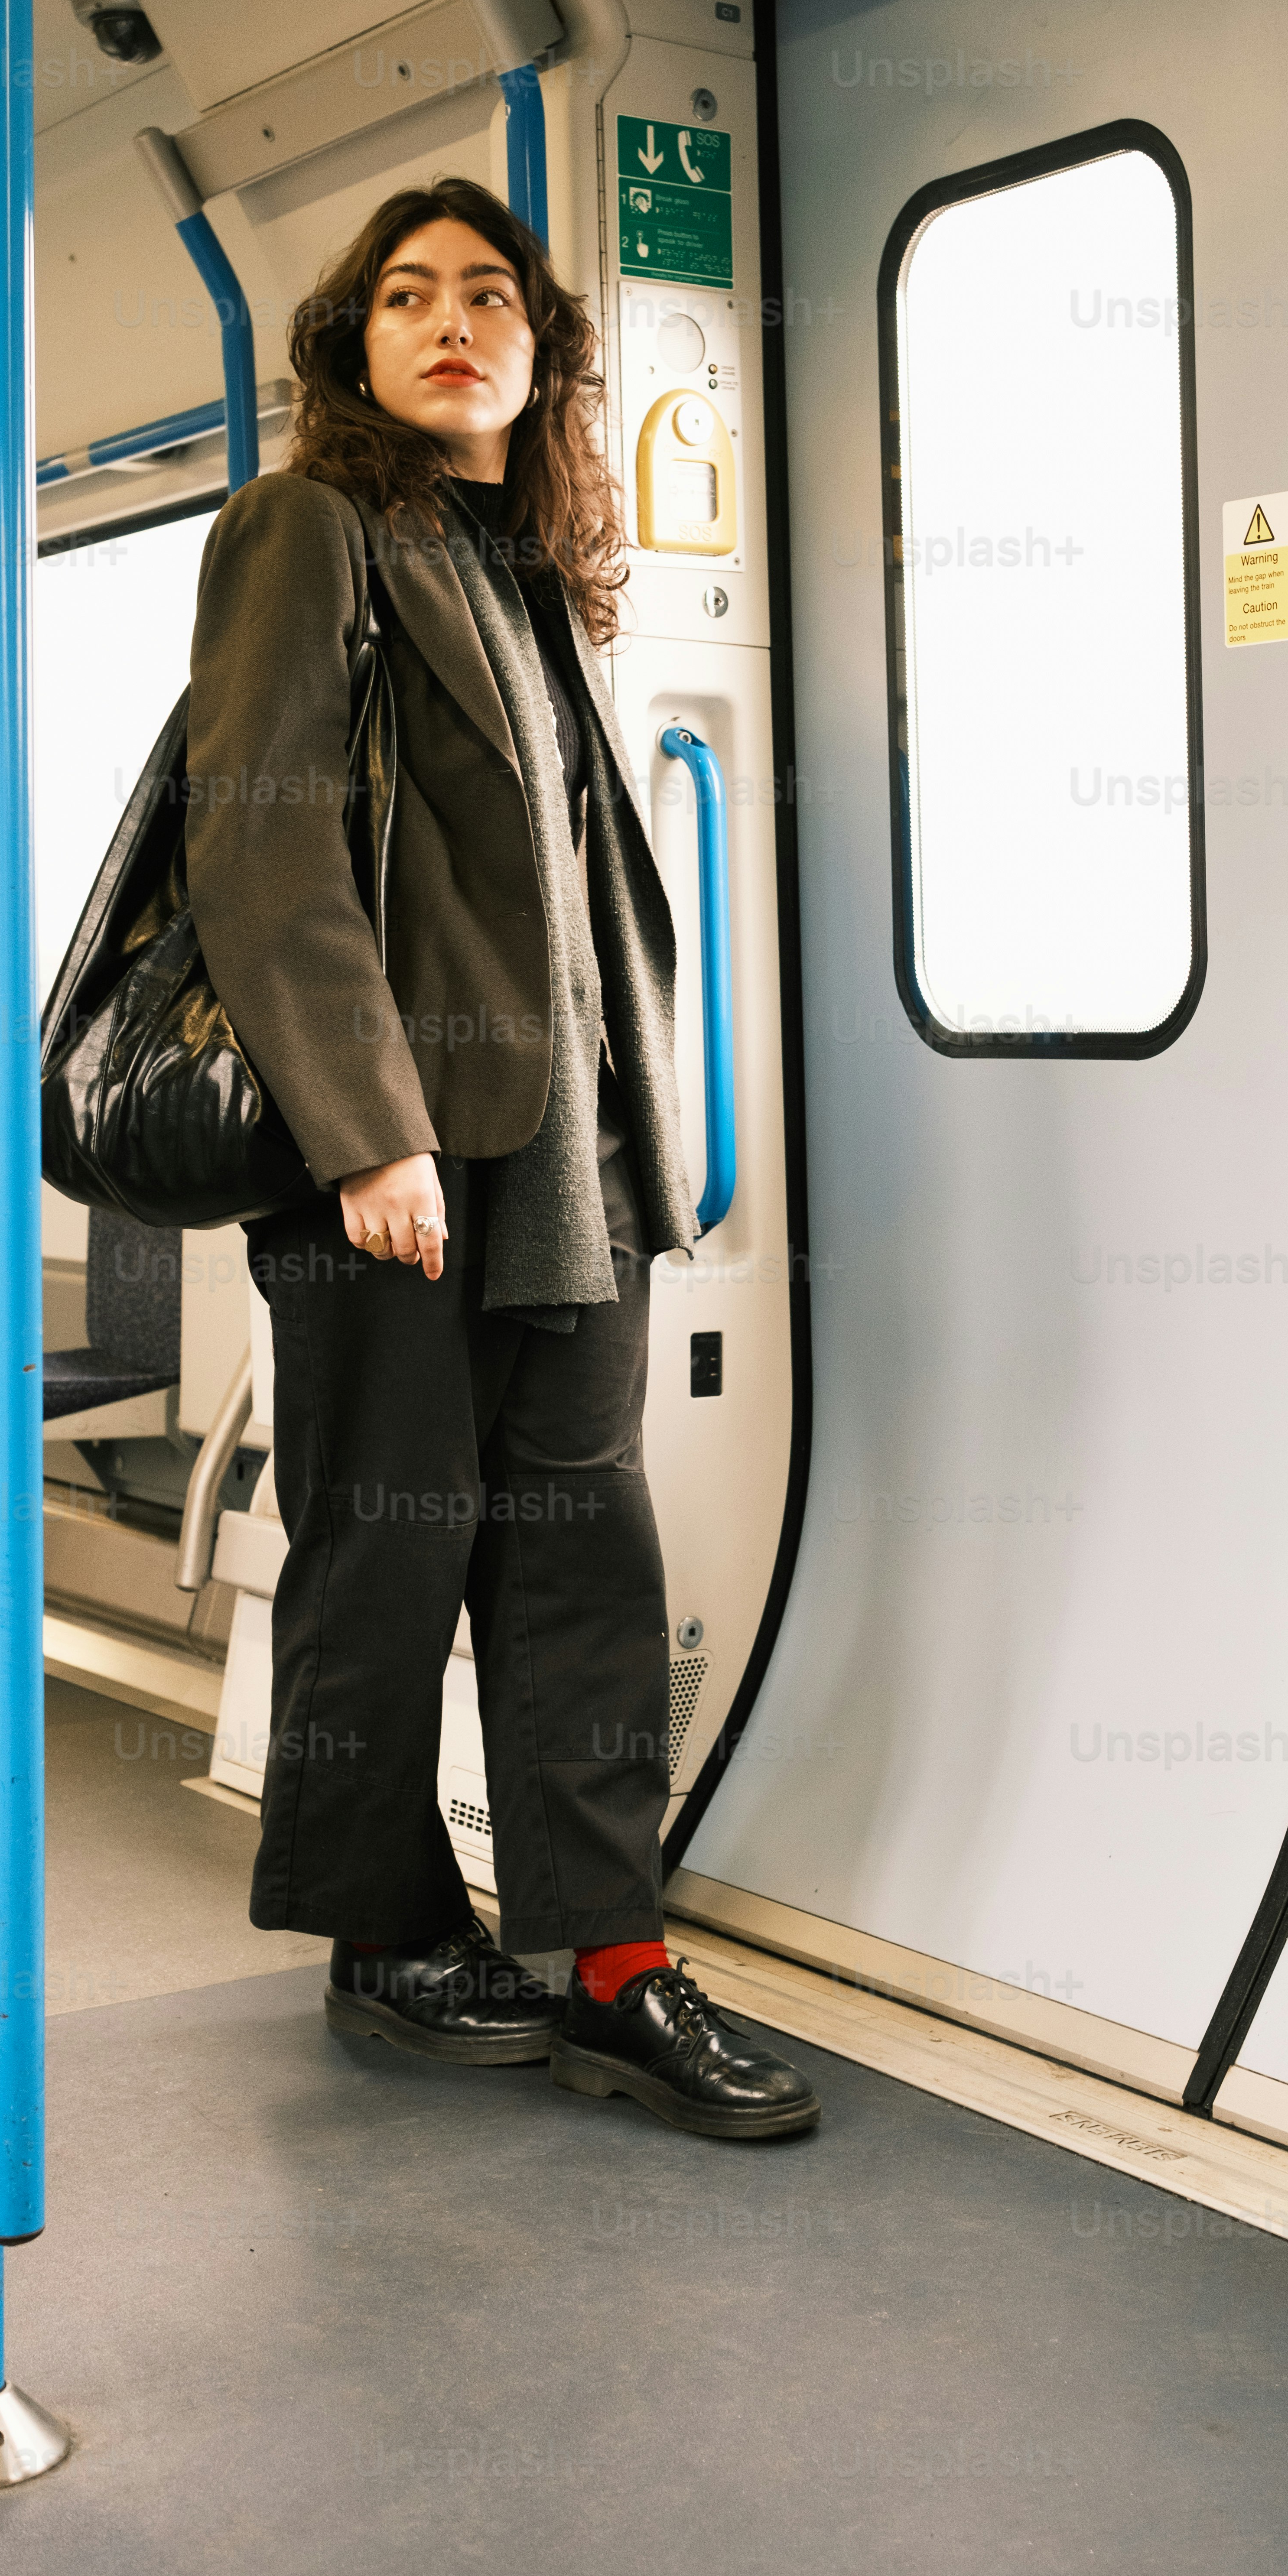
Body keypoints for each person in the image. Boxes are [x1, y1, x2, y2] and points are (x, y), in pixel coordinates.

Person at [183, 175, 818, 2141]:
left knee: (582, 1557)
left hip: (570, 1162)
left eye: (487, 296)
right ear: (355, 345)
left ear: (540, 353)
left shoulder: (535, 568)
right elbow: (263, 838)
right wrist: (367, 1130)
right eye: (406, 296)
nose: (450, 321)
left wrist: (648, 1137)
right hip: (398, 1160)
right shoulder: (307, 529)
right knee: (389, 1545)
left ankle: (611, 1959)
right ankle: (384, 1926)